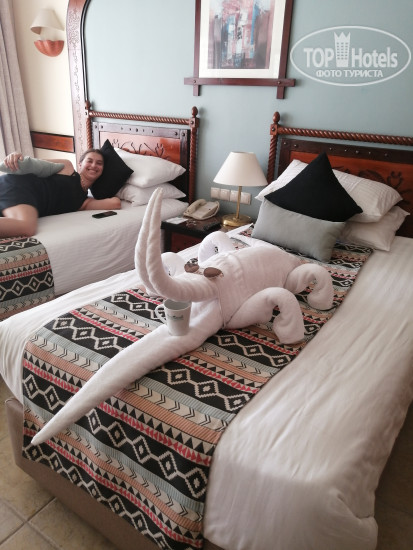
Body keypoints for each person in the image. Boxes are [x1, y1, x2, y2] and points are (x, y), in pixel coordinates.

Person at [0, 149, 121, 238]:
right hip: (21, 187)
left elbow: (116, 203)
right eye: (89, 161)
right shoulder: (67, 167)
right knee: (27, 227)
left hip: (26, 201)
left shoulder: (84, 203)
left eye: (99, 163)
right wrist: (16, 155)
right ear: (80, 164)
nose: (94, 165)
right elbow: (32, 164)